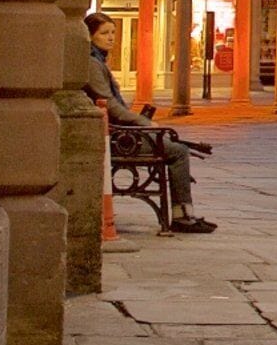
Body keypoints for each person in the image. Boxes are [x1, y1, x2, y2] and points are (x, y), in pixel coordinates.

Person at [82, 12, 215, 234]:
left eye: (113, 32)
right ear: (90, 36)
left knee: (173, 142)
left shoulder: (99, 61)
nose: (111, 38)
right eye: (104, 33)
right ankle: (182, 215)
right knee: (178, 151)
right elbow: (111, 106)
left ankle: (184, 212)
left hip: (120, 131)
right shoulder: (92, 64)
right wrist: (143, 123)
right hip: (116, 136)